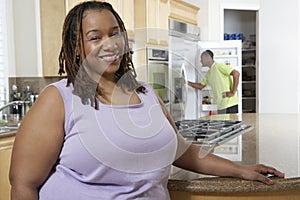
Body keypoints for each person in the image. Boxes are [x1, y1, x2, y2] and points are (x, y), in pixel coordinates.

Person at [9, 1, 284, 200]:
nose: (110, 43)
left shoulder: (145, 92)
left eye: (115, 33)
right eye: (95, 37)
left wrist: (239, 170)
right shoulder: (59, 99)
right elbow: (23, 184)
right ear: (76, 48)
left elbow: (181, 151)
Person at [188, 49, 240, 114]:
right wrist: (187, 83)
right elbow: (201, 86)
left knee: (231, 124)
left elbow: (236, 73)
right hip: (221, 106)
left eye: (202, 58)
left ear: (208, 58)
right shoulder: (209, 73)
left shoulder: (219, 66)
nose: (201, 61)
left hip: (230, 104)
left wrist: (233, 92)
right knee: (223, 124)